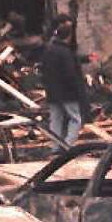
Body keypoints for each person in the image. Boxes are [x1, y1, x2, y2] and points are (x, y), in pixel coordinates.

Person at [39, 13, 86, 147]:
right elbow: (70, 74)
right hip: (68, 93)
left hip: (53, 92)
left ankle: (55, 146)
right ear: (69, 36)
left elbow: (44, 70)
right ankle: (67, 145)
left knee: (55, 119)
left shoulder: (49, 50)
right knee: (76, 119)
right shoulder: (65, 53)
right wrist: (78, 90)